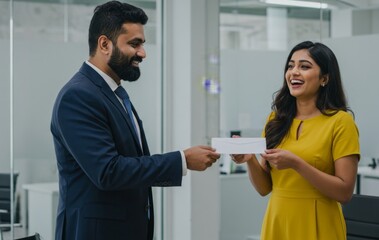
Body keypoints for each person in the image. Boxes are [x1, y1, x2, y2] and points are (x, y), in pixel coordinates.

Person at [50, 1, 220, 240]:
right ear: (104, 44)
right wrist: (182, 160)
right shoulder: (78, 96)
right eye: (134, 44)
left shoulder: (112, 93)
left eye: (142, 44)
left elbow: (130, 163)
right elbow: (108, 171)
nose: (143, 53)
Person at [232, 41, 360, 240]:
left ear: (324, 78)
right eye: (290, 66)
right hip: (278, 220)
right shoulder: (275, 120)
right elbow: (265, 188)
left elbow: (344, 193)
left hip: (320, 223)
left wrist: (296, 163)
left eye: (304, 66)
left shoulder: (341, 122)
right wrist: (250, 159)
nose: (294, 72)